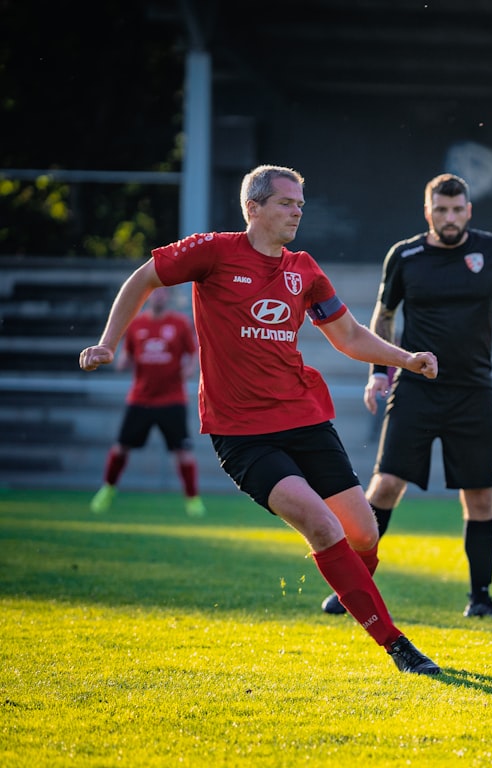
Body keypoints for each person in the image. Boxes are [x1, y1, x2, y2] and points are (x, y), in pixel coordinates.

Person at [80, 164, 442, 676]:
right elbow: (143, 278)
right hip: (242, 434)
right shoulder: (212, 252)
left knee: (363, 534)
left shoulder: (305, 269)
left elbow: (350, 336)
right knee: (320, 524)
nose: (297, 212)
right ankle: (397, 645)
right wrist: (109, 342)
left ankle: (351, 592)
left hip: (304, 417)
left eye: (300, 204)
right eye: (286, 203)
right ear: (254, 207)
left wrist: (405, 359)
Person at [321, 173, 492, 621]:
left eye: (457, 209)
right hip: (417, 388)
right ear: (428, 212)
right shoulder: (405, 256)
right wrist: (380, 372)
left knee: (481, 497)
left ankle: (481, 599)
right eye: (441, 210)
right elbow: (382, 317)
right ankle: (353, 587)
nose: (450, 217)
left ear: (468, 210)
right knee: (385, 486)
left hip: (473, 392)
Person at [90, 287, 206, 517]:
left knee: (183, 451)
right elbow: (127, 356)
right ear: (149, 296)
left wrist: (190, 367)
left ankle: (193, 500)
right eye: (156, 293)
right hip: (140, 398)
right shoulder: (136, 324)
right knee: (121, 448)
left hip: (172, 399)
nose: (159, 297)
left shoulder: (180, 323)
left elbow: (193, 353)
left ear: (169, 298)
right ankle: (108, 489)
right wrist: (121, 362)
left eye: (163, 294)